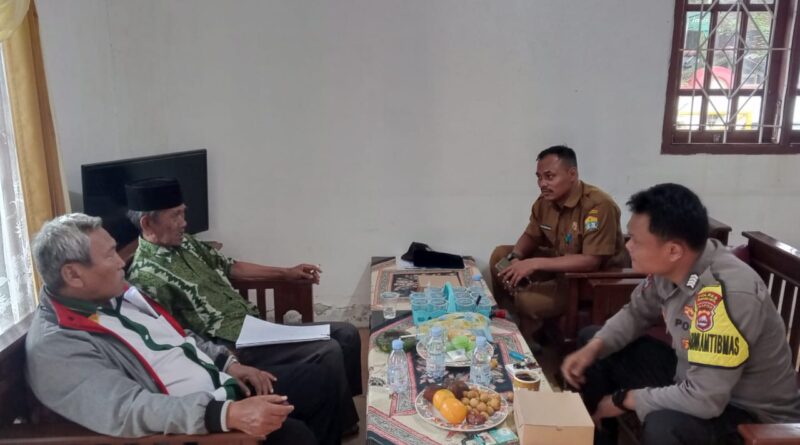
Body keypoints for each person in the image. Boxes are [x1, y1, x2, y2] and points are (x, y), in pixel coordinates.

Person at [25, 213, 333, 443]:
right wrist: (224, 415)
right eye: (109, 255)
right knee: (295, 434)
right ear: (73, 275)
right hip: (194, 423)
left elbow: (180, 335)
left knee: (318, 381)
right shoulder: (57, 345)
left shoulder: (115, 294)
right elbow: (126, 409)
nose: (120, 262)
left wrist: (229, 364)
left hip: (221, 384)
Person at [561, 183, 800, 445]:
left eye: (636, 241)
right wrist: (594, 348)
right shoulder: (675, 266)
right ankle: (599, 437)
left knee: (665, 425)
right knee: (594, 341)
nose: (628, 247)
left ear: (673, 250)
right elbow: (636, 313)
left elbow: (705, 398)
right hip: (694, 375)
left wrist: (623, 399)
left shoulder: (725, 295)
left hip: (748, 414)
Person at [123, 177, 360, 434]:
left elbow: (230, 266)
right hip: (234, 345)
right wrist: (225, 360)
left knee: (347, 334)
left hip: (255, 328)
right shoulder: (145, 278)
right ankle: (335, 426)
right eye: (175, 216)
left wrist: (287, 273)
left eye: (183, 213)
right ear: (148, 223)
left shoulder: (186, 243)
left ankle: (344, 421)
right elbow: (175, 339)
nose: (184, 223)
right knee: (328, 349)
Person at [491, 145, 625, 345]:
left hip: (589, 280)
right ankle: (511, 320)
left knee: (528, 300)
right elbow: (532, 235)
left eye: (549, 176)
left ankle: (527, 327)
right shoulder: (545, 201)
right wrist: (515, 257)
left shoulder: (598, 206)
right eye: (539, 177)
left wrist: (534, 264)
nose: (542, 184)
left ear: (572, 174)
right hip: (559, 265)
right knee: (500, 256)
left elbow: (591, 261)